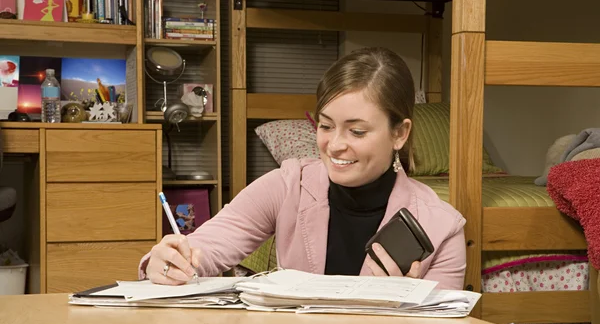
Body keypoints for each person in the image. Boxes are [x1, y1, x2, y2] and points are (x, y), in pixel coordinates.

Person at [139, 47, 467, 290]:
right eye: (326, 126)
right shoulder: (287, 184)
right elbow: (207, 247)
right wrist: (169, 262)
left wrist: (404, 310)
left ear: (400, 133)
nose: (335, 145)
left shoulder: (441, 227)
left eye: (357, 131)